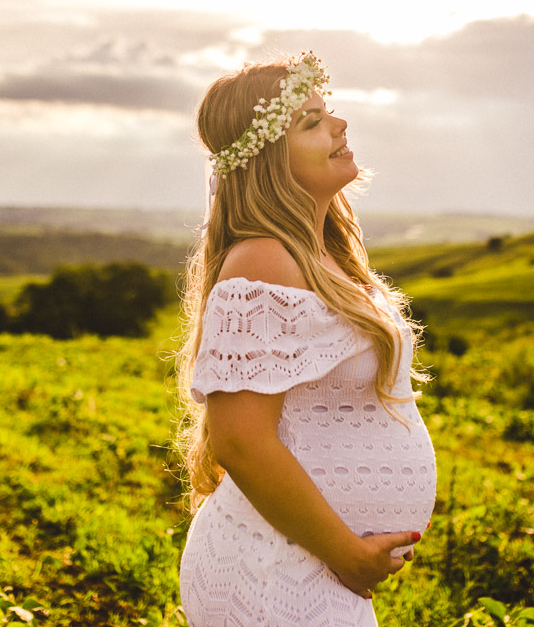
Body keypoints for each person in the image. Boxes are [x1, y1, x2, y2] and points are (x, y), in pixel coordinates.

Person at [176, 52, 437, 626]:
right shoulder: (263, 261)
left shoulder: (321, 257)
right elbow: (240, 440)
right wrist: (346, 551)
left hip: (304, 562)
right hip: (276, 566)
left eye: (330, 113)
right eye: (311, 122)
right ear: (268, 158)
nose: (339, 126)